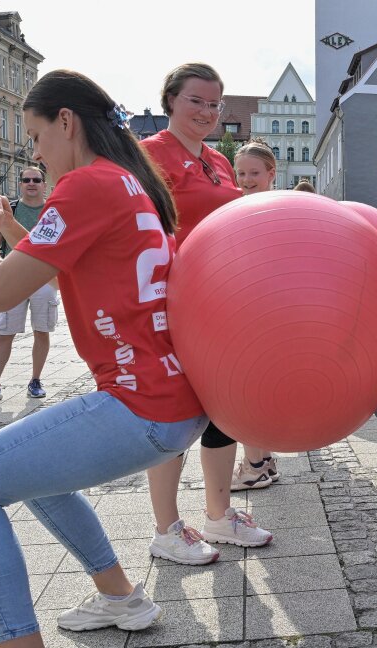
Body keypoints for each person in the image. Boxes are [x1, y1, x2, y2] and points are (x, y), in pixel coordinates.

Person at [0, 70, 210, 648]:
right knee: (36, 472)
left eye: (34, 136)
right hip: (172, 398)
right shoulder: (129, 182)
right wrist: (11, 226)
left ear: (66, 122)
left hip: (142, 404)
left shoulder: (86, 185)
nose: (33, 153)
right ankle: (120, 598)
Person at [141, 63, 273, 564]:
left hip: (224, 298)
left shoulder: (220, 160)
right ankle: (167, 529)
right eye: (197, 100)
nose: (208, 111)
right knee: (174, 411)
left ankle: (219, 517)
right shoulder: (149, 155)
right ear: (171, 99)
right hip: (173, 297)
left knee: (225, 406)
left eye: (215, 104)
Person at [0, 167, 60, 404]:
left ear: (44, 185)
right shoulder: (11, 209)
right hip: (14, 274)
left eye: (36, 180)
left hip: (45, 278)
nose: (31, 183)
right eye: (26, 180)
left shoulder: (53, 209)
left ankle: (36, 380)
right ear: (20, 184)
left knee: (42, 331)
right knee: (5, 332)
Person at [228, 139, 282, 490]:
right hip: (246, 307)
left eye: (254, 173)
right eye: (241, 173)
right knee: (255, 387)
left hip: (261, 309)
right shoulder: (235, 207)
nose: (246, 179)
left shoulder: (275, 207)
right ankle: (263, 459)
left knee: (245, 388)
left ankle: (255, 464)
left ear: (271, 174)